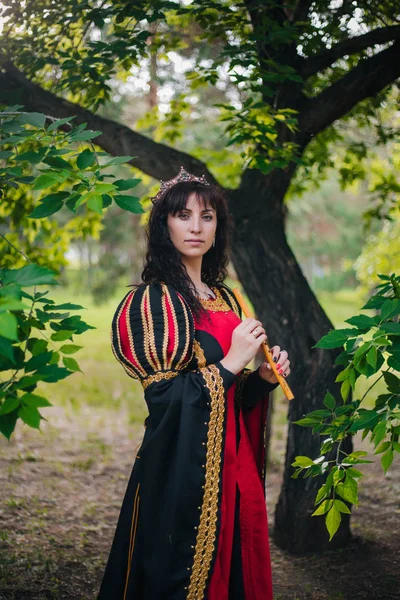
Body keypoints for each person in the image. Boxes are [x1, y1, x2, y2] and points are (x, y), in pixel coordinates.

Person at [97, 167, 291, 600]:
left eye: (207, 217)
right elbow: (163, 401)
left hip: (232, 457)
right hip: (182, 462)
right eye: (183, 215)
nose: (196, 227)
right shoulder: (152, 301)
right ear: (164, 225)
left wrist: (259, 377)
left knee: (235, 561)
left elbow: (230, 397)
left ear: (218, 227)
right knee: (178, 573)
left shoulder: (225, 297)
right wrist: (232, 362)